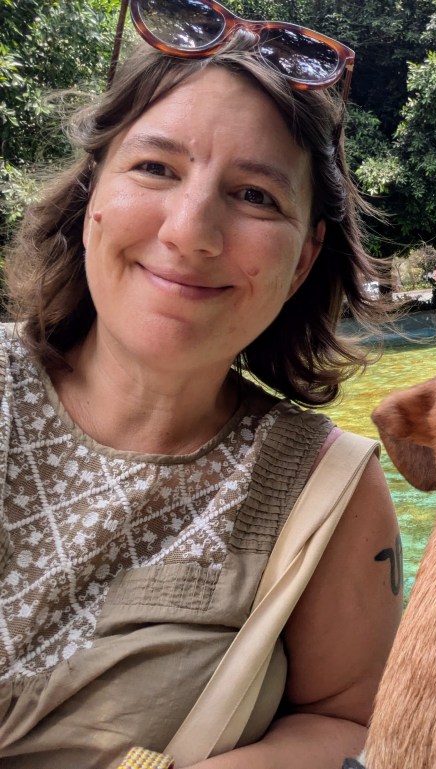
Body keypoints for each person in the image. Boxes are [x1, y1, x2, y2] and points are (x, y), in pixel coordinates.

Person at [0, 1, 402, 766]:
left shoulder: (328, 491)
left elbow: (353, 722)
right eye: (155, 168)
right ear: (93, 195)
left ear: (304, 259)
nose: (189, 231)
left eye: (255, 195)